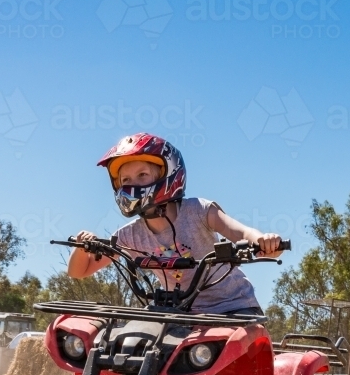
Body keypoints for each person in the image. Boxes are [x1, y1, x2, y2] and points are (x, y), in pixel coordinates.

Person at [67, 133, 283, 316]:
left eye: (142, 175)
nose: (133, 185)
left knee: (236, 355)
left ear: (168, 174)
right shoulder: (128, 236)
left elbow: (240, 231)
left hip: (233, 308)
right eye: (125, 180)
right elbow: (79, 272)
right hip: (180, 313)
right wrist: (80, 246)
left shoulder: (199, 210)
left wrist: (263, 241)